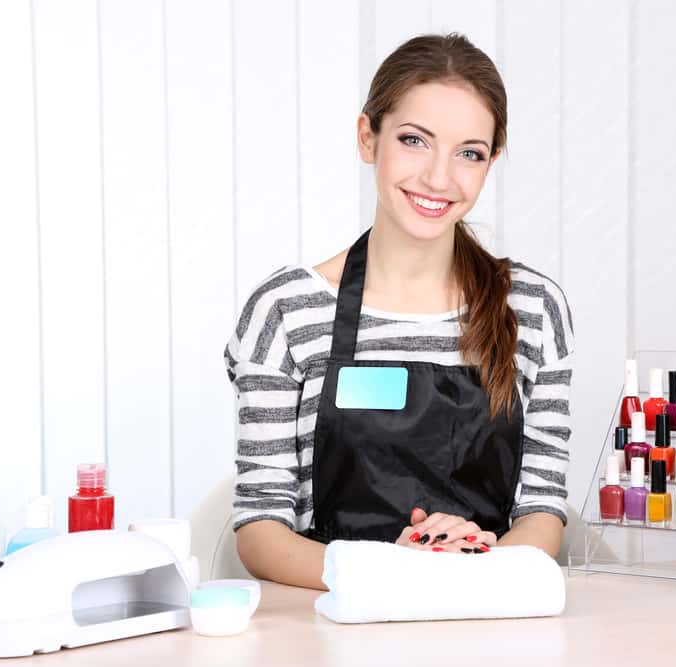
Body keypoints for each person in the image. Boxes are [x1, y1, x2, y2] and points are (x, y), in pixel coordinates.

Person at [223, 33, 573, 591]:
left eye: (469, 153)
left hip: (487, 617)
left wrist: (466, 578)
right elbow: (260, 529)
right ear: (368, 137)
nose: (439, 177)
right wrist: (389, 574)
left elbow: (542, 512)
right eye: (414, 140)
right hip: (338, 624)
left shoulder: (532, 310)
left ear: (492, 161)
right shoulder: (287, 312)